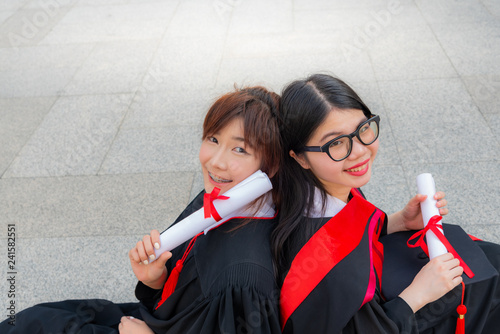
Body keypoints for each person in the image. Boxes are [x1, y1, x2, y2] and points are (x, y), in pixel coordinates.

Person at [1, 86, 283, 334]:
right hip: (151, 318)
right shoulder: (224, 194)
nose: (216, 162)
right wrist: (155, 280)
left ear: (271, 165)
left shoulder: (245, 279)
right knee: (36, 320)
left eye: (240, 150)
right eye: (213, 139)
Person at [273, 73, 500, 333]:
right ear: (300, 157)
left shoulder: (321, 188)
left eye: (363, 129)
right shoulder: (325, 263)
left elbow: (351, 229)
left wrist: (397, 221)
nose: (359, 151)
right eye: (336, 143)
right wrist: (418, 295)